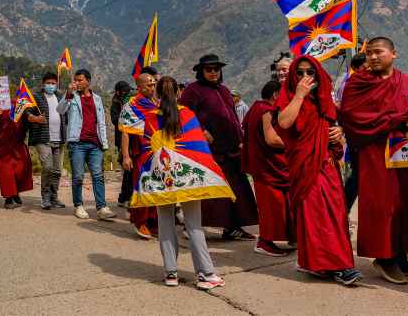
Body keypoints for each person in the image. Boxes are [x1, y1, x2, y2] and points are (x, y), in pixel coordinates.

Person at [121, 76, 230, 290]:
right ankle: (206, 274)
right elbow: (198, 147)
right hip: (187, 178)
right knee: (193, 225)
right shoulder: (187, 114)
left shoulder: (151, 118)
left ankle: (170, 273)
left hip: (162, 177)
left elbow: (147, 148)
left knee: (165, 223)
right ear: (179, 93)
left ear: (157, 94)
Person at [339, 37, 408, 284]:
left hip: (404, 150)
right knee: (382, 205)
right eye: (369, 54)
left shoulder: (405, 80)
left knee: (405, 202)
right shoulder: (358, 82)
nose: (373, 57)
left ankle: (400, 257)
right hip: (375, 151)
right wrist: (394, 119)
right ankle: (383, 257)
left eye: (378, 52)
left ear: (393, 54)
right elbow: (351, 115)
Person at [276, 55, 362, 286]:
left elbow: (333, 127)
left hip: (327, 165)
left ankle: (327, 263)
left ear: (318, 75)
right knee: (316, 216)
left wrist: (339, 133)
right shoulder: (289, 97)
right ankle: (338, 266)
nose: (305, 77)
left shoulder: (324, 101)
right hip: (305, 166)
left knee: (335, 214)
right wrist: (299, 95)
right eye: (300, 73)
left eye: (310, 72)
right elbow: (284, 122)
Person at [179, 54, 258, 240]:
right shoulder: (193, 90)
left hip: (231, 148)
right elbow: (183, 114)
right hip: (210, 149)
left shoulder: (223, 90)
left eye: (216, 69)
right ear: (201, 71)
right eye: (209, 69)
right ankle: (191, 226)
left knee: (237, 189)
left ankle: (233, 227)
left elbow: (231, 116)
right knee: (212, 190)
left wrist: (241, 138)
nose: (213, 72)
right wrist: (201, 130)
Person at [241, 80, 292, 257]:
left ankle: (283, 238)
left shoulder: (255, 107)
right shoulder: (267, 111)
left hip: (261, 165)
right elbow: (271, 139)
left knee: (273, 204)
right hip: (269, 167)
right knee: (273, 206)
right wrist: (294, 145)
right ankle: (264, 242)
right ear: (276, 95)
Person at [57, 69, 116, 221]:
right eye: (75, 80)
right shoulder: (72, 97)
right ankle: (78, 205)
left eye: (80, 80)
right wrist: (68, 94)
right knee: (78, 176)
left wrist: (104, 143)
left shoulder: (97, 98)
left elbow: (101, 121)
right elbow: (60, 109)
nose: (77, 83)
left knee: (98, 175)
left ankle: (102, 207)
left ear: (88, 81)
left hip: (95, 143)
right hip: (77, 143)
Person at [120, 72, 159, 239]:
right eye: (149, 85)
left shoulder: (155, 103)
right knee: (142, 186)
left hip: (156, 150)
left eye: (154, 84)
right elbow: (125, 132)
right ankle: (140, 221)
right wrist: (125, 156)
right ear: (140, 87)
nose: (152, 87)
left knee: (156, 187)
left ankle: (153, 221)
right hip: (141, 152)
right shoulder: (131, 105)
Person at [29, 72, 67, 210]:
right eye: (48, 83)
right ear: (43, 84)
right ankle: (45, 197)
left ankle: (53, 197)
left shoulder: (60, 96)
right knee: (48, 167)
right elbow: (28, 113)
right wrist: (35, 119)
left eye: (53, 83)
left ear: (56, 84)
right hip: (43, 138)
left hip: (59, 138)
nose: (51, 85)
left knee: (57, 170)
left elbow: (66, 114)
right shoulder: (36, 97)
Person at [0, 99, 37, 209]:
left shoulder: (20, 105)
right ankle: (8, 198)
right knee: (6, 172)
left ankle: (15, 192)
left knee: (20, 170)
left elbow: (28, 121)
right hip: (3, 145)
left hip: (18, 144)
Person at [341, 53, 368, 213]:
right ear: (356, 69)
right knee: (356, 178)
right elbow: (348, 112)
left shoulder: (372, 83)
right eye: (365, 68)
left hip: (372, 138)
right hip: (358, 138)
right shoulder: (350, 85)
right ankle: (342, 213)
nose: (368, 70)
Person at [110, 80, 133, 208]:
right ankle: (125, 197)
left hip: (133, 138)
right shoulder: (115, 104)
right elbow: (115, 121)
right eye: (124, 91)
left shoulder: (132, 101)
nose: (127, 93)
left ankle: (125, 196)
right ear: (118, 92)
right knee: (128, 169)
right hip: (123, 140)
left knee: (130, 171)